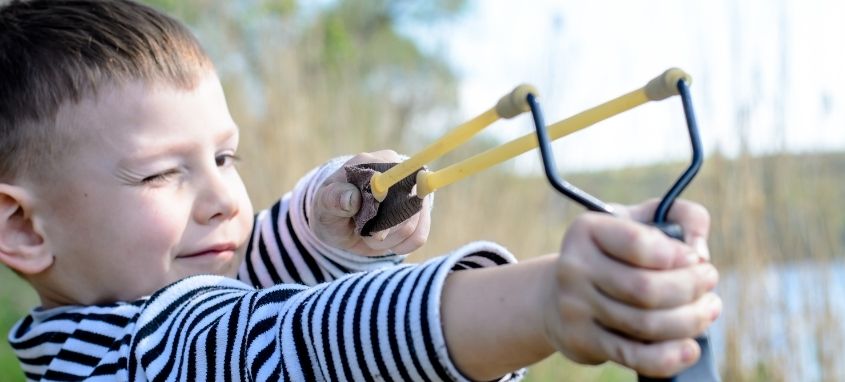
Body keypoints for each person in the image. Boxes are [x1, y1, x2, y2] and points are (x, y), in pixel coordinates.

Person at [0, 0, 721, 381]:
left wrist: (323, 224)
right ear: (25, 229)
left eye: (226, 156)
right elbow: (293, 338)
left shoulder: (140, 312)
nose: (223, 197)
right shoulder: (113, 361)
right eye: (162, 172)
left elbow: (249, 289)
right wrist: (546, 300)